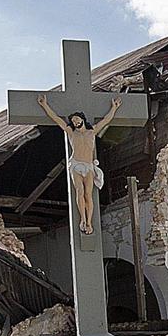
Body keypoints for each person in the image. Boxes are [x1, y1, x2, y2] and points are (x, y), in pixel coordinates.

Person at [37, 94, 122, 234]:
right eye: (73, 121)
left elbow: (106, 120)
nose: (75, 122)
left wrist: (114, 108)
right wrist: (44, 105)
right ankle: (82, 219)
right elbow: (57, 119)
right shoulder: (71, 132)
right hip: (76, 165)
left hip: (88, 165)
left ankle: (89, 222)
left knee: (88, 194)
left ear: (82, 119)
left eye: (77, 119)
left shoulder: (92, 131)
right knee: (80, 192)